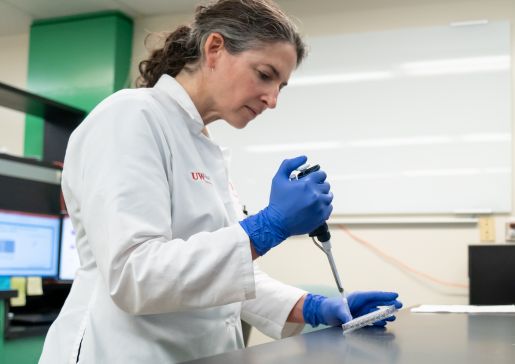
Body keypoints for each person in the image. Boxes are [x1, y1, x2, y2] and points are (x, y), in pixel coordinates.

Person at [39, 1, 401, 363]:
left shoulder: (205, 147)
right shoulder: (130, 117)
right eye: (264, 74)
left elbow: (221, 277)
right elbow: (135, 275)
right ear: (214, 49)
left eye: (281, 86)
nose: (272, 99)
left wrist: (313, 308)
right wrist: (268, 227)